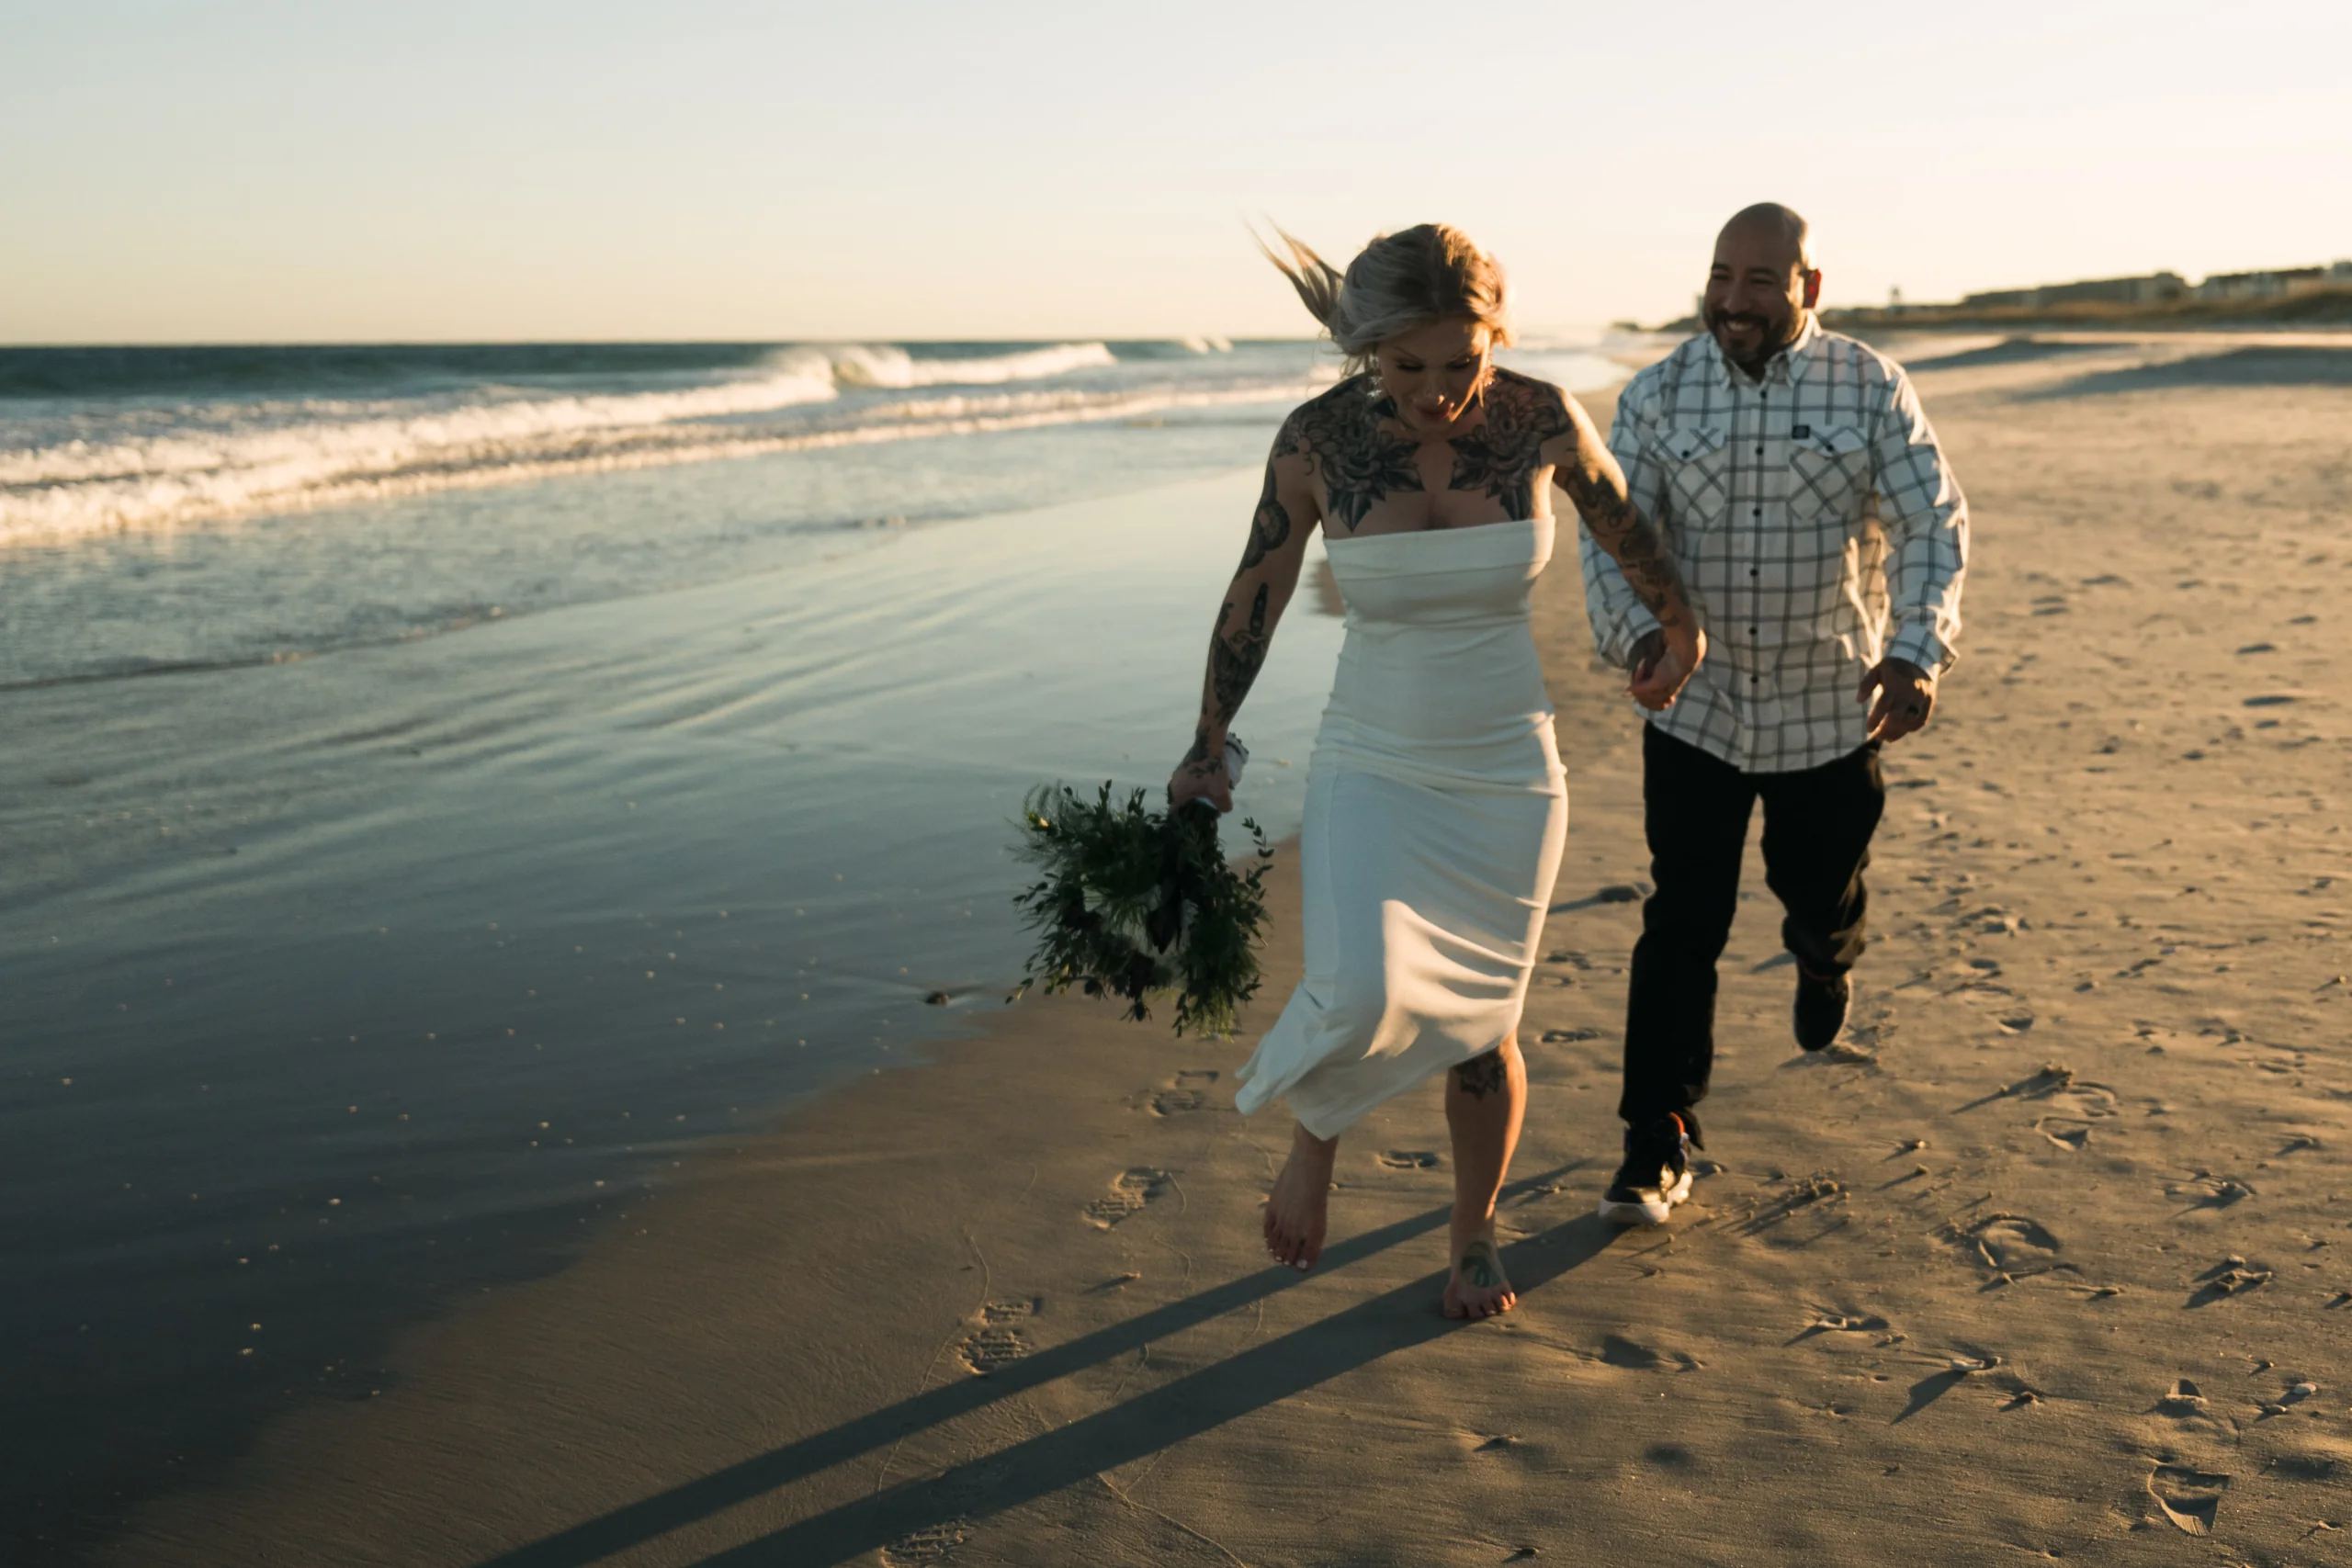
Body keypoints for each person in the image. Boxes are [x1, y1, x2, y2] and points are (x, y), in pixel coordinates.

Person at [1168, 223, 1705, 1317]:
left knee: (1483, 1024)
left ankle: (1471, 1233)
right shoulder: (1317, 441)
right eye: (1407, 367)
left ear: (1493, 338)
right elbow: (1255, 593)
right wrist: (1207, 740)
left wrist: (1678, 628)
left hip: (1508, 761)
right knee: (1361, 985)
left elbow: (1621, 526)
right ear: (1365, 349)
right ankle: (1317, 1130)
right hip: (1370, 753)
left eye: (1461, 363)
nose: (1436, 392)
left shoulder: (1539, 417)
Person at [1581, 202, 1969, 1225]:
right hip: (1694, 710)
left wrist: (1916, 652)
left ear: (1807, 286)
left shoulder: (1868, 385)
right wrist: (1635, 641)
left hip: (1829, 710)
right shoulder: (1660, 393)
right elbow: (1614, 534)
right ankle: (1656, 1135)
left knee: (1818, 882)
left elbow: (1931, 521)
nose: (1731, 300)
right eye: (1719, 276)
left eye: (1758, 280)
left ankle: (1820, 946)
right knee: (1681, 920)